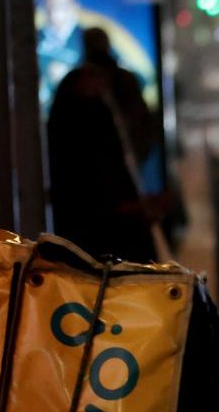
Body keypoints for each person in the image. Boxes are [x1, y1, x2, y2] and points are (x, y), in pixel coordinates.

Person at [46, 28, 163, 260]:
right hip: (119, 211)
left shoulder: (71, 85)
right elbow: (142, 135)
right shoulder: (123, 82)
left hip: (81, 215)